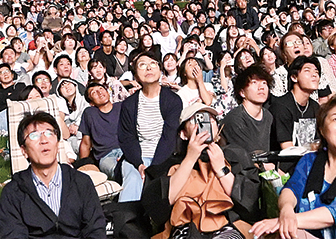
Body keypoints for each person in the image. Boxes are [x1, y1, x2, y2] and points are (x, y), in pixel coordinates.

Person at [250, 97, 336, 239]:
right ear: (322, 130)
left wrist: (285, 221)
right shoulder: (309, 161)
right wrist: (286, 210)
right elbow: (291, 189)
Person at [141, 102, 260, 239]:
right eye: (196, 120)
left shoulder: (235, 155)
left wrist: (221, 169)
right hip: (185, 226)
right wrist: (190, 159)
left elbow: (249, 203)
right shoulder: (171, 164)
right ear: (183, 134)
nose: (204, 124)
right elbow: (159, 207)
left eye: (211, 119)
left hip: (226, 224)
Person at [0, 111, 107, 239]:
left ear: (58, 144)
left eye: (49, 133)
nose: (44, 140)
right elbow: (13, 234)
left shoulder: (81, 182)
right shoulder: (13, 192)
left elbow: (95, 230)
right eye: (34, 135)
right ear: (24, 151)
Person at [117, 51, 183, 202]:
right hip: (137, 158)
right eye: (142, 65)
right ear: (135, 75)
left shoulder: (173, 100)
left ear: (160, 70)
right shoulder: (129, 104)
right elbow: (127, 138)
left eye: (153, 63)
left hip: (164, 157)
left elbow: (169, 137)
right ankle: (125, 215)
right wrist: (140, 165)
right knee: (133, 179)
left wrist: (153, 168)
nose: (148, 68)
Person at [220, 66, 274, 156]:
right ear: (242, 92)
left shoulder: (268, 116)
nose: (261, 87)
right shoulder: (235, 119)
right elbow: (246, 157)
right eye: (254, 82)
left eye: (264, 83)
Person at [78, 82, 122, 179]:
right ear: (91, 103)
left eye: (101, 89)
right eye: (94, 92)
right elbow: (86, 143)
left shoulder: (121, 107)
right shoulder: (89, 113)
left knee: (131, 167)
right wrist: (84, 165)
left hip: (125, 150)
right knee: (117, 170)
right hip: (106, 156)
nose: (99, 92)